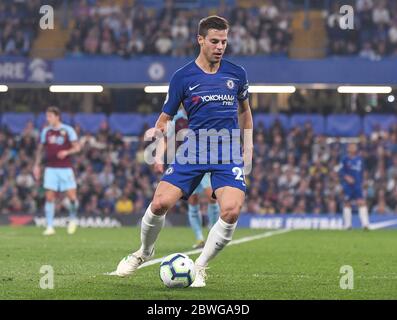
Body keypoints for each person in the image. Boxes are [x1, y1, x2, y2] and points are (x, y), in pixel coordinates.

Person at [114, 15, 253, 287]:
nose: (220, 46)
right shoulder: (182, 77)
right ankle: (143, 252)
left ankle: (199, 266)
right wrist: (158, 139)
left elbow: (245, 111)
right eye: (214, 41)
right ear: (200, 40)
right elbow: (165, 118)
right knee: (159, 204)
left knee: (231, 211)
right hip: (194, 150)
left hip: (226, 152)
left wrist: (248, 146)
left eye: (224, 41)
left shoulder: (237, 74)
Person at [161, 108, 221, 249]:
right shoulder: (177, 119)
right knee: (193, 201)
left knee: (211, 197)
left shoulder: (202, 112)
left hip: (204, 161)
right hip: (186, 164)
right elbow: (168, 139)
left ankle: (213, 233)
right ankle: (200, 238)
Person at [33, 106, 81, 236]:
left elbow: (77, 147)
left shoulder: (67, 130)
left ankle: (72, 219)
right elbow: (40, 149)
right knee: (49, 197)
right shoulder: (46, 131)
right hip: (50, 169)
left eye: (50, 116)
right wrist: (37, 165)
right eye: (47, 116)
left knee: (72, 197)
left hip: (65, 169)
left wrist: (67, 151)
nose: (47, 119)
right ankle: (50, 227)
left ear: (57, 116)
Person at [339, 143, 370, 230]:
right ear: (348, 149)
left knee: (361, 202)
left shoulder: (360, 159)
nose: (353, 147)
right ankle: (348, 225)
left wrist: (364, 181)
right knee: (347, 203)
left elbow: (363, 171)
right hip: (347, 186)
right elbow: (341, 172)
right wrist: (347, 177)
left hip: (357, 185)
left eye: (354, 146)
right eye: (351, 146)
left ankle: (365, 225)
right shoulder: (344, 159)